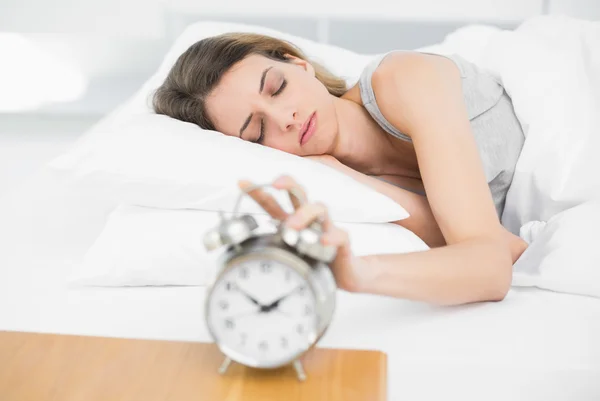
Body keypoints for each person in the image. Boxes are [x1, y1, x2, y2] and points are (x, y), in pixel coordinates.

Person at [152, 32, 529, 306]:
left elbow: (492, 265)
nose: (286, 119)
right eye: (258, 131)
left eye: (278, 87)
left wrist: (362, 272)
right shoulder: (345, 188)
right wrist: (343, 179)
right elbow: (504, 249)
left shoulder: (402, 78)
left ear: (299, 64)